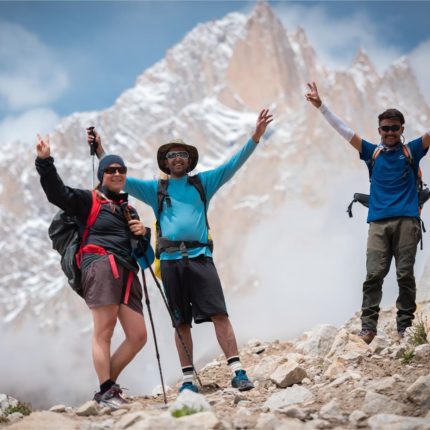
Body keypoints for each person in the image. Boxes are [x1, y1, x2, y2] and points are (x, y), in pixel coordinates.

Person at [89, 109, 273, 392]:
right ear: (165, 161)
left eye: (182, 155)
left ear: (189, 161)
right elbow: (119, 178)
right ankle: (188, 380)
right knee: (180, 322)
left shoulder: (203, 183)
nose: (177, 158)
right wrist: (101, 151)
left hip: (201, 258)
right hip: (171, 262)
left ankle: (237, 371)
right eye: (172, 155)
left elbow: (232, 165)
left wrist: (256, 137)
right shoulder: (156, 189)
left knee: (219, 315)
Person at [305, 81, 430, 344]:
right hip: (378, 224)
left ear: (402, 129)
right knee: (373, 275)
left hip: (407, 221)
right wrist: (321, 106)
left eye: (395, 128)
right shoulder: (372, 153)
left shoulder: (413, 150)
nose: (390, 132)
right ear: (379, 130)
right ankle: (368, 327)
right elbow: (345, 131)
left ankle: (405, 325)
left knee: (404, 274)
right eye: (385, 128)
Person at [35, 134, 149, 408]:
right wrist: (44, 161)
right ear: (101, 175)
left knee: (138, 335)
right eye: (110, 170)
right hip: (100, 266)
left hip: (127, 271)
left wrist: (142, 233)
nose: (117, 173)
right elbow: (57, 193)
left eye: (121, 170)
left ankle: (106, 388)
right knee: (104, 331)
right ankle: (107, 390)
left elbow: (141, 249)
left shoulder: (127, 209)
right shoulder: (88, 200)